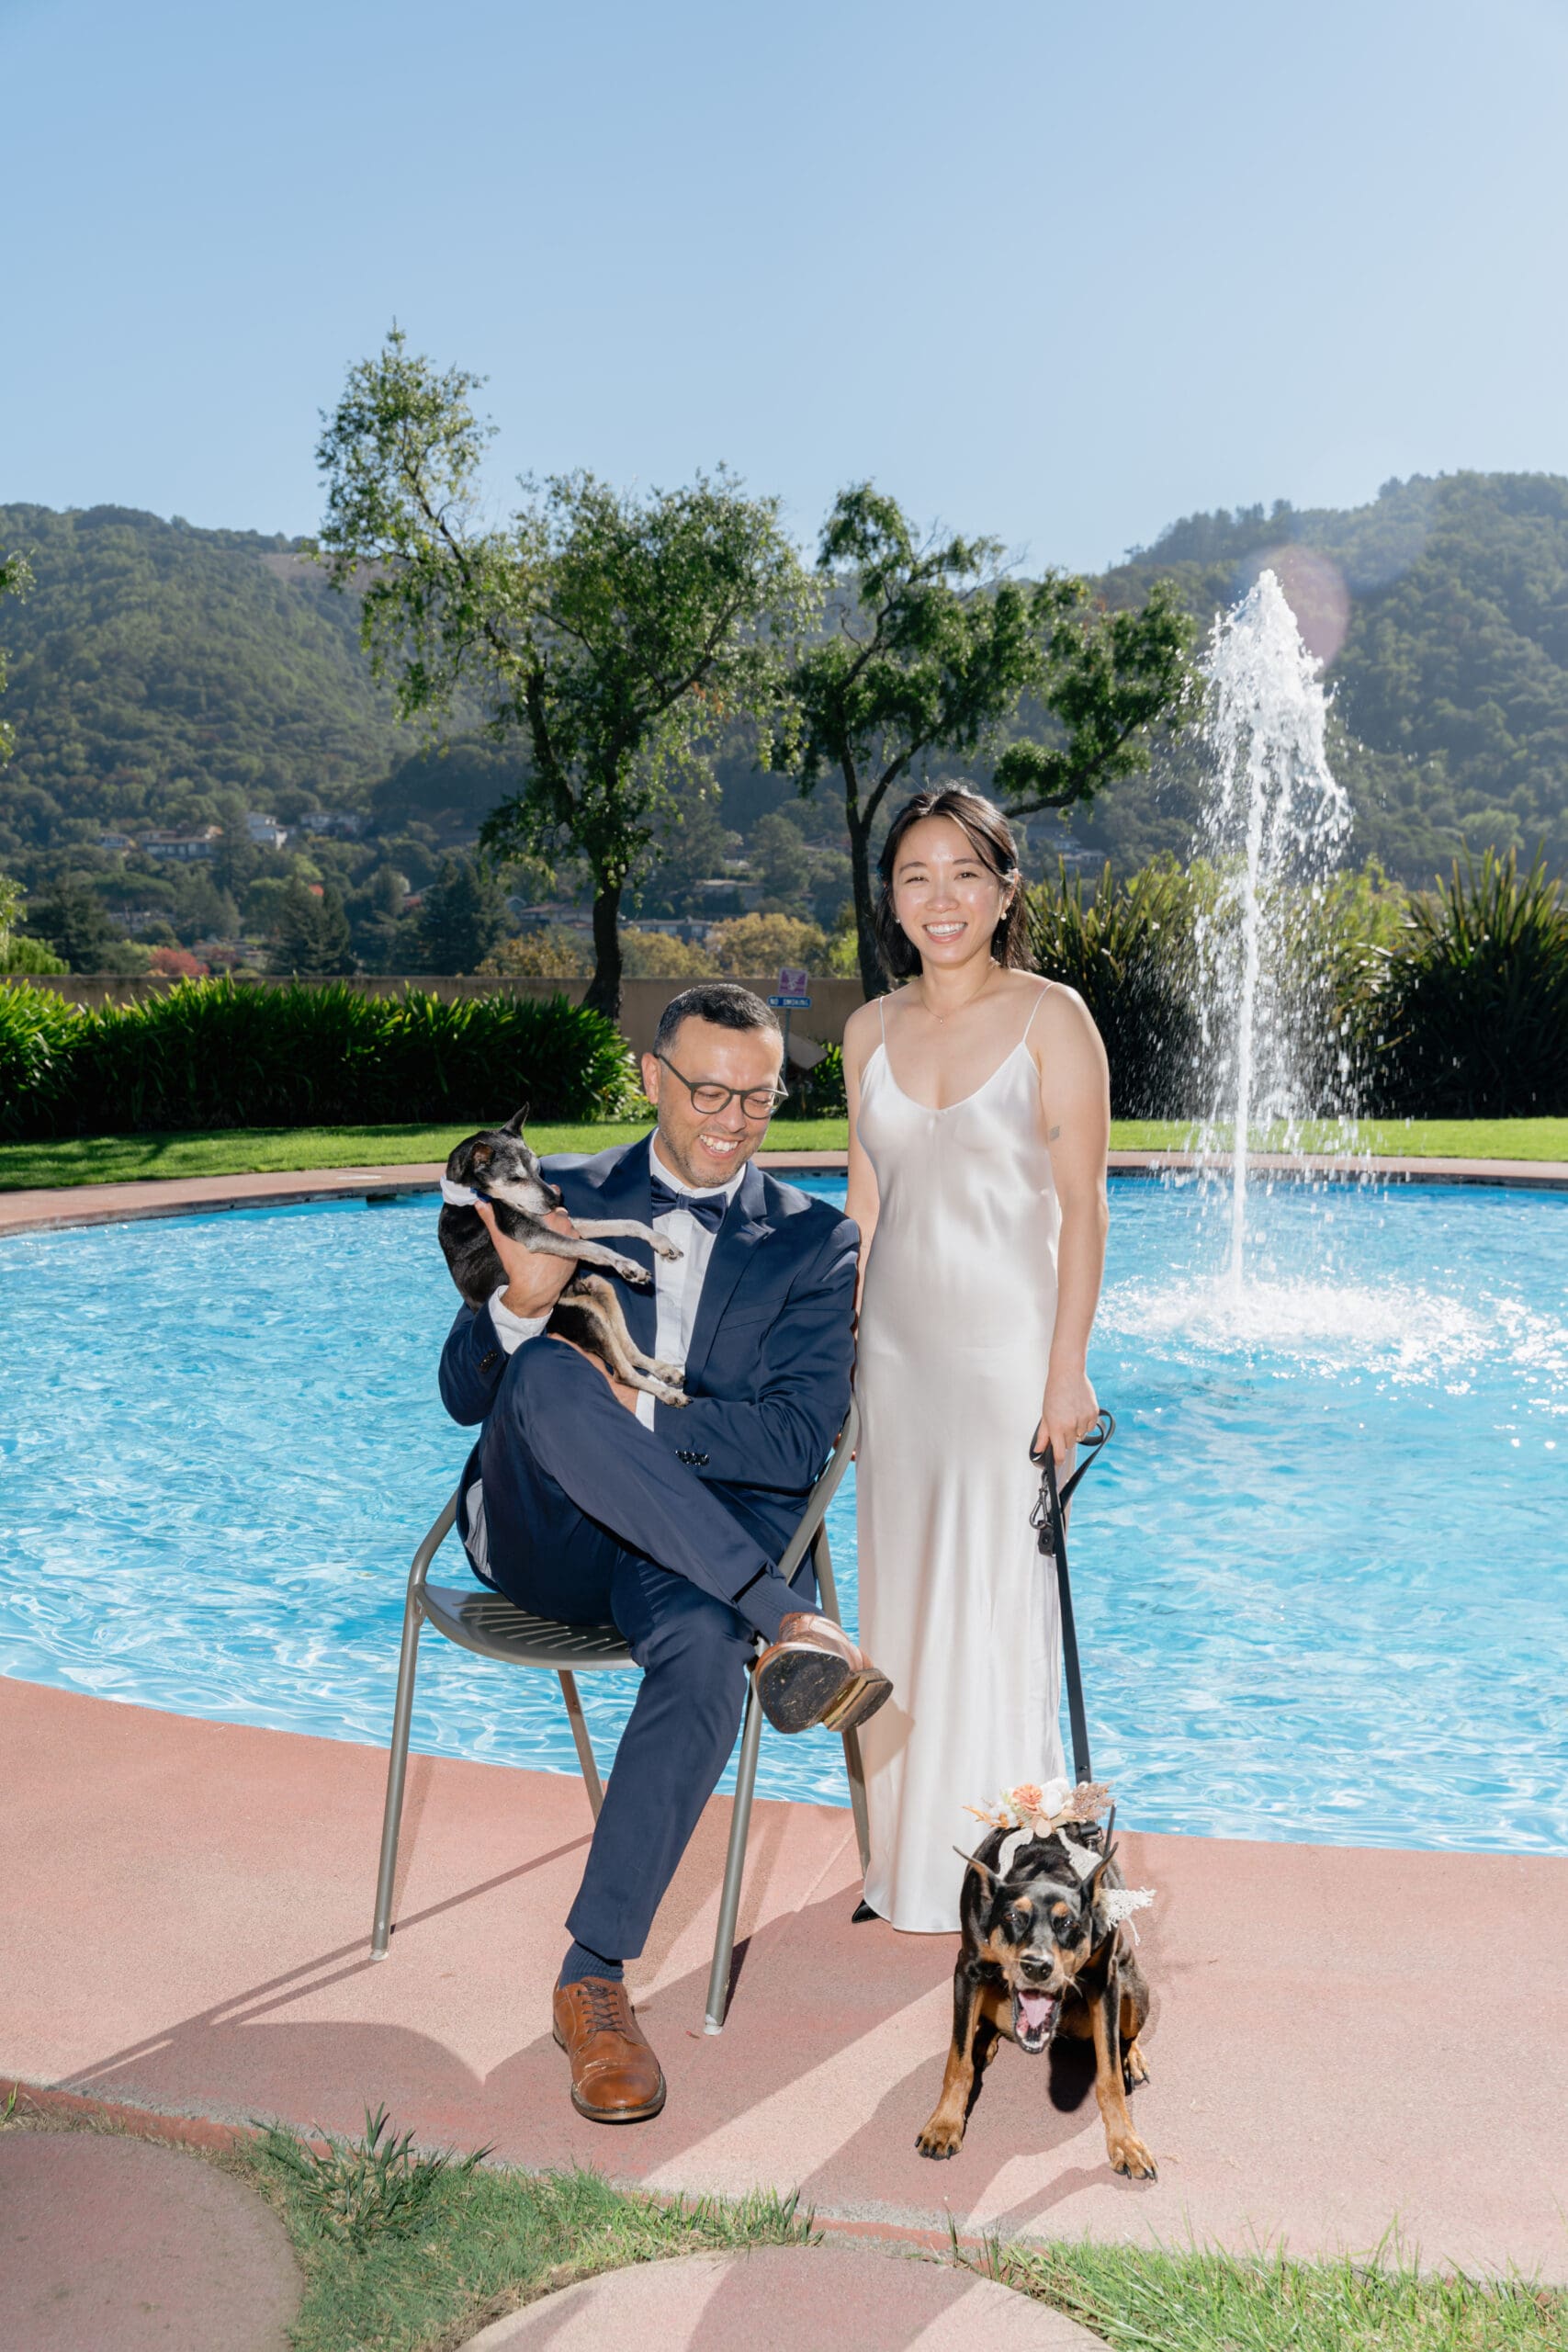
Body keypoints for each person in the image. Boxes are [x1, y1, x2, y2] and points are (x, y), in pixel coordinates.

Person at [438, 982, 890, 2124]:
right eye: (707, 1090)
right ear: (649, 1076)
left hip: (680, 1560)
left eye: (760, 1096)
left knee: (700, 1656)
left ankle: (592, 1978)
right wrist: (514, 1311)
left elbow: (796, 1442)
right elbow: (459, 1395)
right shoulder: (561, 1194)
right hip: (546, 1534)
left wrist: (642, 1420)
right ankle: (786, 1615)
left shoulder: (813, 1240)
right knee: (545, 1369)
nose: (733, 1117)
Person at [842, 786, 1111, 1934]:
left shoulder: (1054, 1017)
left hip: (1009, 1363)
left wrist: (1068, 1373)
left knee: (998, 1611)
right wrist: (834, 1374)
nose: (940, 898)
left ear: (1004, 891)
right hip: (893, 1368)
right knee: (899, 1610)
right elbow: (862, 1213)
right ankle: (907, 1871)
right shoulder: (866, 1031)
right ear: (892, 899)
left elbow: (1084, 1208)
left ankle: (1008, 1875)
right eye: (916, 876)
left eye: (964, 873)